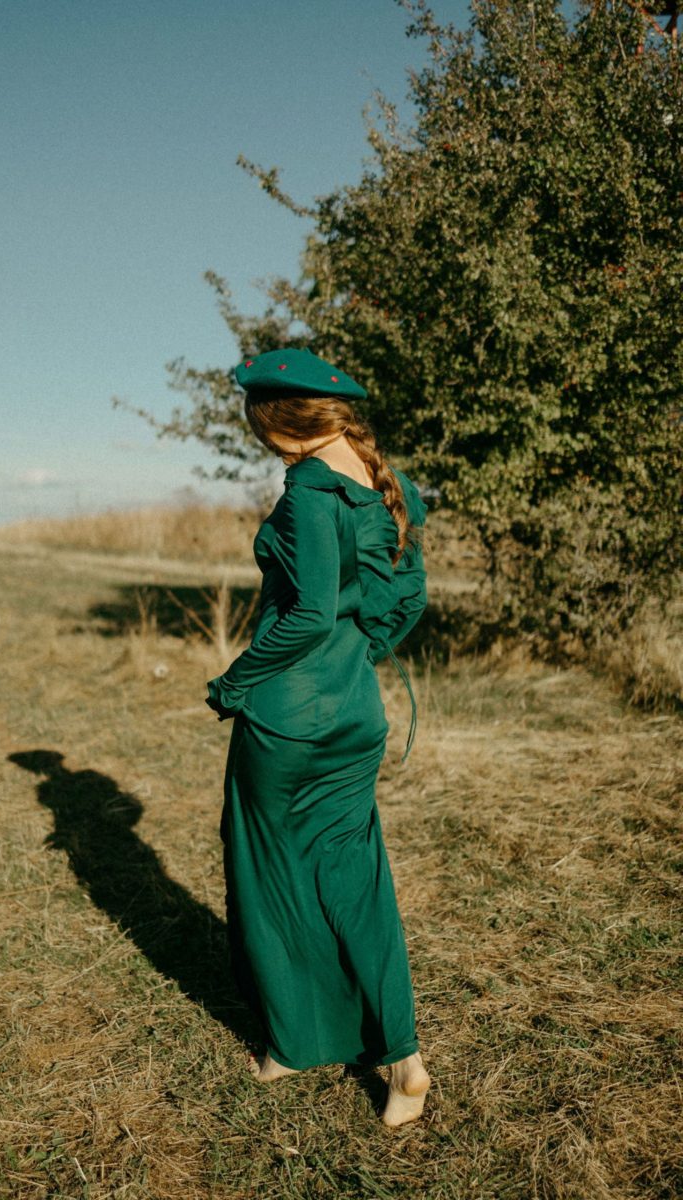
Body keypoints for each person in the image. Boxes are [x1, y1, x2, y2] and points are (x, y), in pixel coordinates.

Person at [205, 347, 431, 1127]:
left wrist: (233, 683)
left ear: (275, 423)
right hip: (355, 714)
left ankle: (295, 1043)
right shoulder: (383, 480)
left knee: (270, 875)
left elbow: (302, 616)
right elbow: (409, 593)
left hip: (287, 718)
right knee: (355, 878)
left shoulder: (306, 489)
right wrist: (356, 656)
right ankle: (404, 1060)